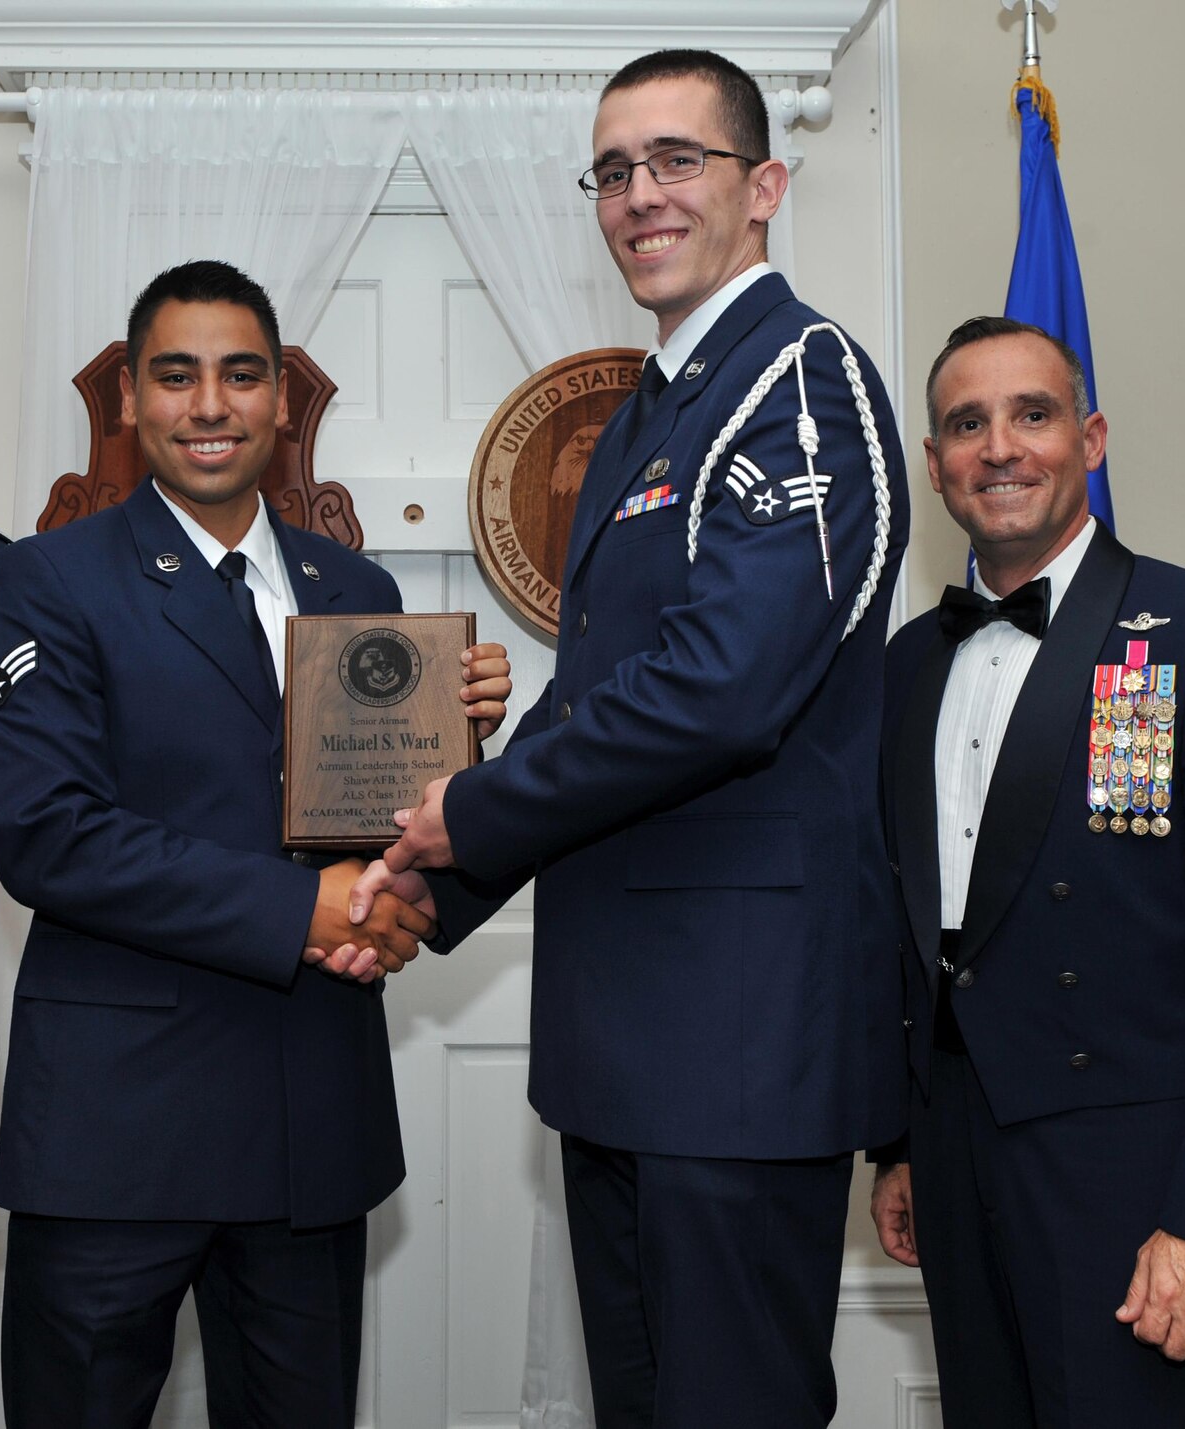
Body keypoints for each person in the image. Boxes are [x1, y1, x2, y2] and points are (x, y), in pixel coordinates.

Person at [339, 49, 910, 1427]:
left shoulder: (799, 376)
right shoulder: (659, 406)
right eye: (613, 169)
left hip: (737, 1040)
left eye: (676, 159)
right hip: (628, 1043)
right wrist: (436, 877)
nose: (639, 194)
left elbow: (719, 690)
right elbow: (604, 694)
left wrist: (467, 822)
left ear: (763, 185)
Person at [0, 260, 511, 1428]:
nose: (208, 404)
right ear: (129, 401)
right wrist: (300, 914)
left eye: (239, 375)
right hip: (117, 1138)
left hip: (307, 1123)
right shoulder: (45, 581)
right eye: (175, 376)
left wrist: (457, 770)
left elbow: (381, 833)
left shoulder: (355, 586)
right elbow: (48, 837)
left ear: (281, 402)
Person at [868, 316, 1185, 1426]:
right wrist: (893, 1144)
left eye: (1029, 415)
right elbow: (903, 929)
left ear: (1088, 440)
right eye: (963, 424)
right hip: (950, 1157)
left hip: (1137, 1183)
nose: (998, 447)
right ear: (935, 466)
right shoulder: (903, 666)